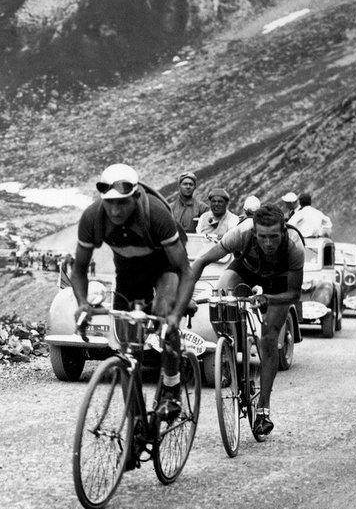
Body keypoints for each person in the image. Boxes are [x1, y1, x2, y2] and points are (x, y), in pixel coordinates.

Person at [168, 204, 304, 437]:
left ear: (283, 232)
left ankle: (262, 410)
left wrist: (266, 298)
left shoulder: (294, 246)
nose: (268, 243)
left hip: (278, 282)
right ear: (254, 232)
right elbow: (200, 262)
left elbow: (294, 294)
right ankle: (230, 349)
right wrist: (183, 300)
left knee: (269, 338)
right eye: (262, 237)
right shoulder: (241, 232)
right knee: (222, 294)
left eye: (274, 237)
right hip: (247, 269)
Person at [73, 163, 194, 419]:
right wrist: (82, 304)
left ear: (136, 197)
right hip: (129, 271)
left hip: (165, 267)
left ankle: (172, 390)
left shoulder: (156, 214)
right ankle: (137, 422)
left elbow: (185, 271)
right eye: (110, 203)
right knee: (129, 349)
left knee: (163, 316)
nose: (115, 210)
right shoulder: (93, 217)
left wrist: (176, 314)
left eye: (123, 203)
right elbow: (79, 269)